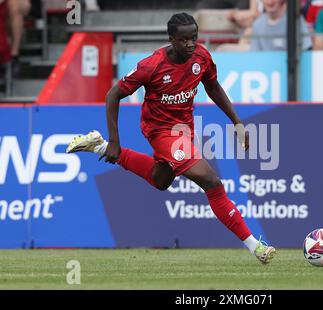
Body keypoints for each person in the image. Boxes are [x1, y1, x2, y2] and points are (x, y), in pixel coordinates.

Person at [66, 12, 276, 264]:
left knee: (161, 179)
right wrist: (115, 139)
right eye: (184, 39)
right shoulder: (151, 66)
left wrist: (236, 121)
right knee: (211, 182)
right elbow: (113, 95)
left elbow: (213, 87)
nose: (190, 44)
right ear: (171, 39)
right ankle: (256, 246)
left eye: (194, 38)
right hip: (159, 130)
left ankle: (97, 146)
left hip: (183, 129)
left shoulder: (201, 57)